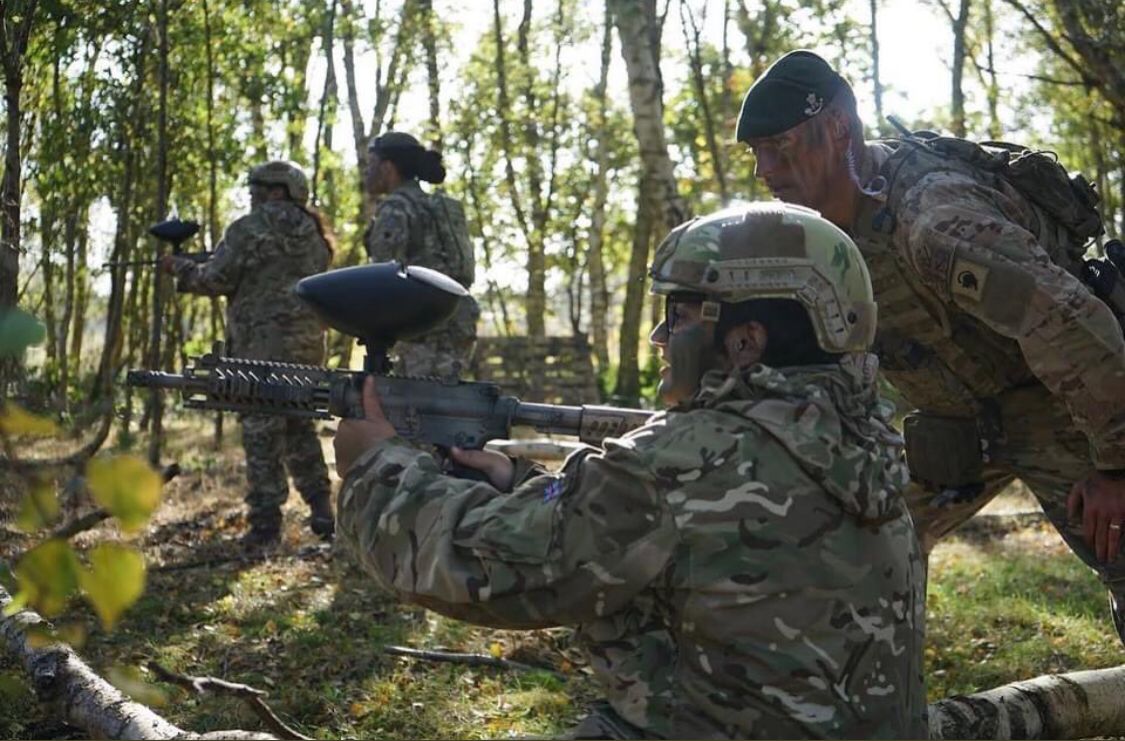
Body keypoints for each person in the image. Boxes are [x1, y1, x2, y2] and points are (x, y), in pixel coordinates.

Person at [332, 203, 927, 739]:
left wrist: (376, 466)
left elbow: (483, 573)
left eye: (681, 315)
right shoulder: (866, 440)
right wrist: (521, 487)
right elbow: (654, 537)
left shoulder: (677, 462)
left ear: (745, 342)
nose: (660, 336)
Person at [735, 49, 1125, 643]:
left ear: (839, 126)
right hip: (958, 429)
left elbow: (1074, 328)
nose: (765, 168)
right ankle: (871, 709)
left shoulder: (937, 222)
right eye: (756, 152)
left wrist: (1117, 466)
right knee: (854, 554)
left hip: (1066, 408)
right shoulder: (821, 238)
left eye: (780, 146)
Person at [164, 160, 335, 547]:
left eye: (257, 188)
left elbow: (216, 278)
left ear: (277, 190)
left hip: (258, 351)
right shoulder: (315, 233)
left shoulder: (249, 227)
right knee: (299, 426)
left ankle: (265, 526)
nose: (252, 196)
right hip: (306, 350)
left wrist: (182, 269)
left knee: (261, 431)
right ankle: (322, 510)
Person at [364, 131, 480, 379]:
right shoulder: (438, 206)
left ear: (387, 167)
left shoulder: (396, 208)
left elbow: (382, 278)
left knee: (411, 411)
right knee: (440, 407)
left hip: (420, 332)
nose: (366, 172)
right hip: (457, 324)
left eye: (370, 164)